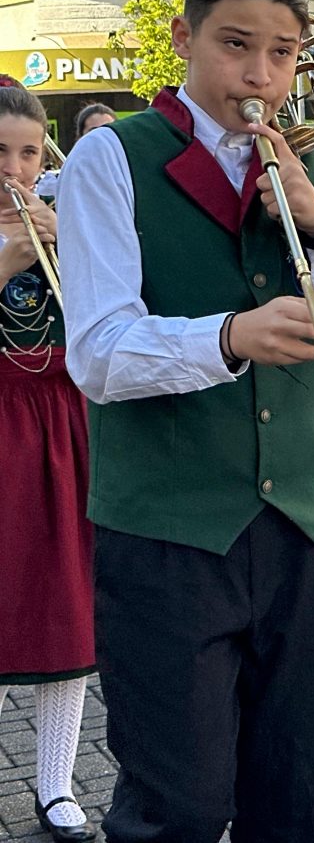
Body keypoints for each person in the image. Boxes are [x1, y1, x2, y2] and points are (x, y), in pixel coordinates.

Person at [57, 0, 314, 842]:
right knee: (179, 803)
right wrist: (226, 338)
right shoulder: (111, 159)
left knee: (302, 789)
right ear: (185, 37)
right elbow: (95, 353)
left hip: (310, 524)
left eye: (283, 52)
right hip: (168, 531)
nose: (260, 73)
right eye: (235, 44)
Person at [0, 81, 97, 842]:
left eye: (29, 152)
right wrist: (11, 252)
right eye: (1, 152)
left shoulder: (63, 221)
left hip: (60, 419)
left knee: (64, 596)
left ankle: (56, 785)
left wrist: (66, 237)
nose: (16, 167)